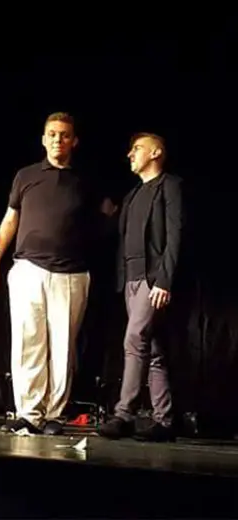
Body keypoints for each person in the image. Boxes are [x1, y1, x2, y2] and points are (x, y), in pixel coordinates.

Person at [0, 113, 101, 435]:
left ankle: (54, 414)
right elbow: (10, 219)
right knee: (28, 341)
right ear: (43, 139)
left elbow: (107, 219)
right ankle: (29, 413)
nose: (57, 140)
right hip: (29, 268)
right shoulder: (26, 176)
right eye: (52, 134)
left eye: (64, 135)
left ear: (74, 141)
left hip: (71, 273)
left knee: (63, 346)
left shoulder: (85, 181)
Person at [98, 133, 183, 442]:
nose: (130, 154)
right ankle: (165, 419)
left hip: (152, 278)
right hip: (131, 279)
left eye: (137, 148)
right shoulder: (133, 194)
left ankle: (124, 414)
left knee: (134, 339)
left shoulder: (169, 186)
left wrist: (164, 280)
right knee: (152, 348)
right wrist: (109, 216)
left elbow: (175, 235)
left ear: (156, 152)